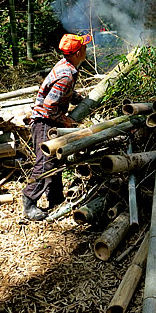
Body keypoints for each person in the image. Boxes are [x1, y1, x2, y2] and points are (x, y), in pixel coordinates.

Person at [22, 33, 91, 221]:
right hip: (45, 122)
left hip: (49, 121)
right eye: (84, 47)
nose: (87, 49)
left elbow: (65, 93)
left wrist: (82, 101)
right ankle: (28, 201)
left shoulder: (66, 66)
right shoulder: (66, 74)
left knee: (55, 161)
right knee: (45, 163)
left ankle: (55, 199)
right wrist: (68, 122)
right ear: (78, 53)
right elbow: (49, 106)